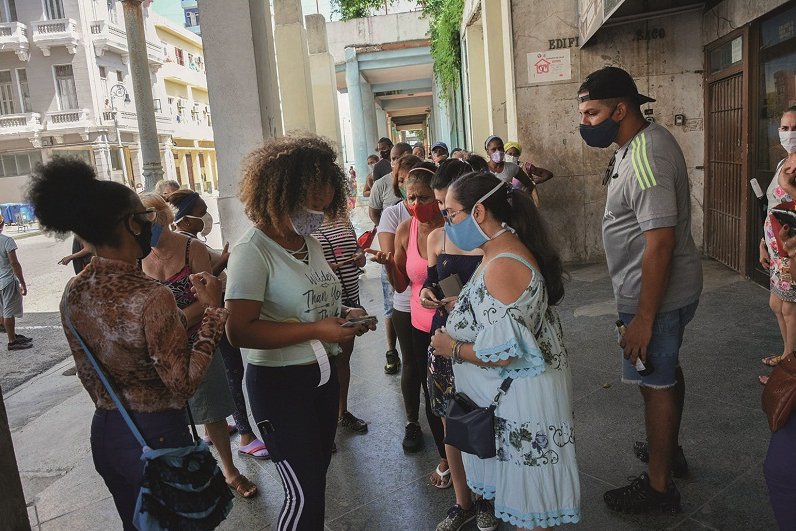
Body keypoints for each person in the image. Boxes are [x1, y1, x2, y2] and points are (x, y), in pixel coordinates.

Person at [27, 158, 227, 529]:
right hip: (158, 435)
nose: (151, 225)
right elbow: (182, 384)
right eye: (145, 218)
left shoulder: (75, 290)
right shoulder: (151, 296)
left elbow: (89, 373)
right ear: (128, 224)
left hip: (108, 432)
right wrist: (213, 312)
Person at [224, 134, 375, 530]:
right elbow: (239, 331)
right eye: (312, 205)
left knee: (317, 475)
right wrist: (315, 329)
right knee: (302, 491)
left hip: (321, 379)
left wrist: (346, 313)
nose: (318, 214)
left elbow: (318, 298)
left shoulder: (311, 242)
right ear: (282, 194)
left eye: (325, 206)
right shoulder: (251, 251)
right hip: (279, 385)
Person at [577, 66, 702, 513]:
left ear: (621, 109)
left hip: (657, 297)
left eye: (592, 113)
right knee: (665, 374)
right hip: (652, 292)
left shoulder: (648, 154)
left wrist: (645, 319)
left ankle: (658, 488)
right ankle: (668, 452)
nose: (585, 123)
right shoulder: (635, 146)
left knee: (656, 383)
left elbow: (661, 243)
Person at [430, 172, 580, 529]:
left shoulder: (502, 264)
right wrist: (462, 309)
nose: (447, 223)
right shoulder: (498, 250)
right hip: (512, 397)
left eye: (451, 214)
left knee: (531, 504)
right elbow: (502, 318)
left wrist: (451, 347)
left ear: (478, 212)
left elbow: (508, 352)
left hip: (521, 399)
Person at [140, 193, 258, 498]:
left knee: (213, 412)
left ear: (163, 218)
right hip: (162, 351)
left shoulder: (192, 248)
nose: (142, 230)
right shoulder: (139, 257)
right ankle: (188, 475)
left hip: (200, 341)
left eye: (146, 221)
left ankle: (230, 471)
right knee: (172, 415)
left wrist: (175, 318)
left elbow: (209, 300)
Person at [418, 161, 499, 531]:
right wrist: (426, 294)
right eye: (440, 206)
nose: (442, 214)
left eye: (448, 207)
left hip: (481, 340)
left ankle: (487, 498)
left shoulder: (493, 240)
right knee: (451, 420)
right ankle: (462, 500)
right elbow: (431, 282)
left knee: (484, 418)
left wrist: (466, 301)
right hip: (443, 338)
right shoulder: (437, 238)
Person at [167, 190, 267, 460]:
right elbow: (202, 286)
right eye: (201, 212)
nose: (205, 217)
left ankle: (216, 431)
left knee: (219, 380)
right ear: (184, 220)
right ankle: (246, 434)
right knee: (230, 374)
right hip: (209, 323)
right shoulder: (186, 245)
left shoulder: (193, 242)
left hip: (211, 319)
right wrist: (222, 261)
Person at [367, 161, 448, 482]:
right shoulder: (404, 229)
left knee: (456, 392)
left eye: (425, 198)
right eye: (411, 198)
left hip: (452, 322)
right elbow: (401, 285)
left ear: (438, 198)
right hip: (418, 323)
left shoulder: (452, 226)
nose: (416, 205)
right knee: (431, 391)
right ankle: (446, 457)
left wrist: (443, 294)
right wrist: (388, 266)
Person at [312, 219, 369, 435]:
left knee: (342, 360)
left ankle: (341, 412)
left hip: (350, 301)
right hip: (323, 304)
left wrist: (360, 255)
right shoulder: (308, 224)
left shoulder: (345, 220)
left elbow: (356, 248)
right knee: (322, 364)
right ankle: (321, 421)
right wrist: (326, 268)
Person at [759, 106, 796, 386]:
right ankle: (787, 356)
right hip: (776, 249)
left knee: (789, 309)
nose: (788, 134)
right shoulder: (784, 163)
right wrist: (763, 242)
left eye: (794, 128)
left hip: (792, 250)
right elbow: (773, 205)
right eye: (784, 128)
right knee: (776, 304)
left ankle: (789, 371)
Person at [0, 214, 31, 350]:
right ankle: (12, 341)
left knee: (2, 310)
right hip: (7, 281)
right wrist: (22, 283)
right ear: (2, 225)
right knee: (9, 312)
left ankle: (12, 334)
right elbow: (14, 263)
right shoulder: (7, 241)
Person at [369, 142, 411, 226]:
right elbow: (373, 213)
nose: (397, 162)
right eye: (393, 158)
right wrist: (386, 229)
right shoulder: (380, 184)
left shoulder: (421, 179)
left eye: (401, 158)